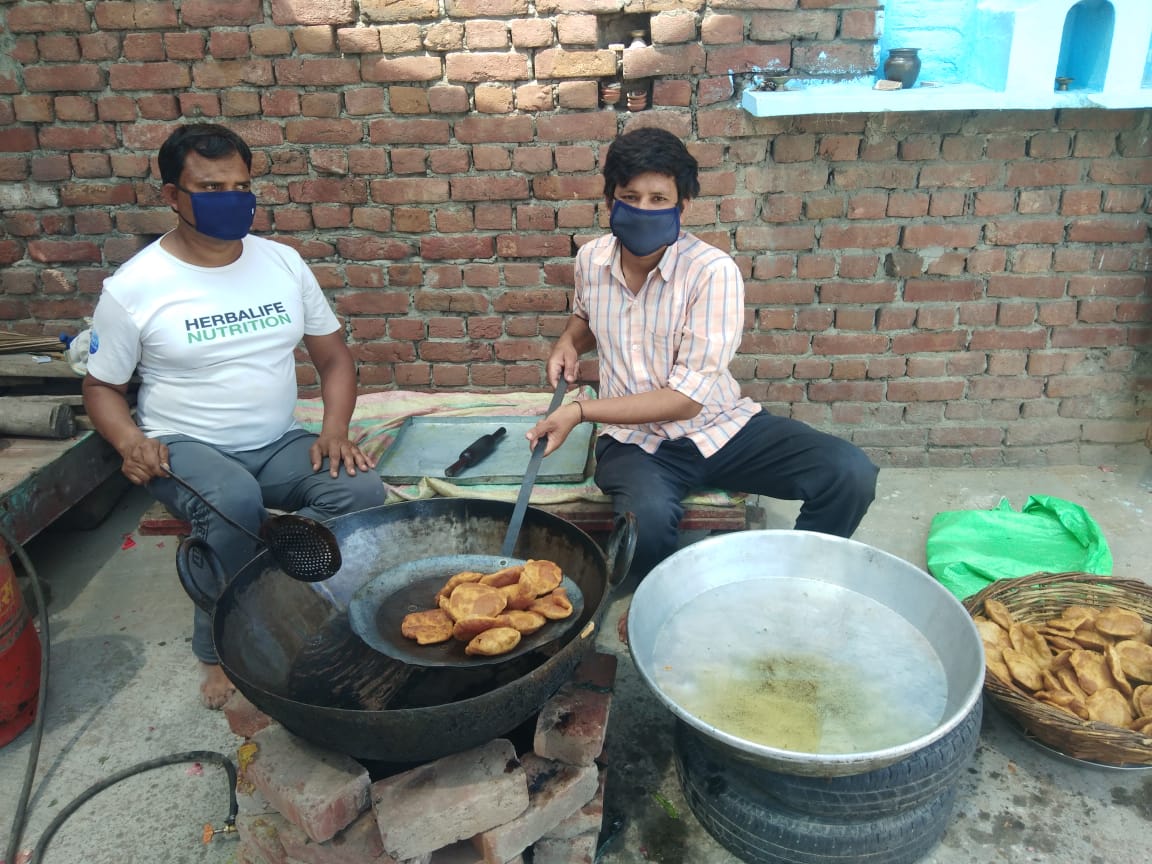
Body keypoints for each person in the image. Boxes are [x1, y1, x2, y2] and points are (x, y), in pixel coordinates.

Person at [82, 123, 385, 708]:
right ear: (173, 196)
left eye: (242, 186)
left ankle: (290, 594)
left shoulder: (283, 264)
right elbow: (101, 387)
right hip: (186, 445)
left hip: (275, 441)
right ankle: (219, 645)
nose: (232, 199)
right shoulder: (134, 287)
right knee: (234, 499)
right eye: (212, 186)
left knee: (360, 489)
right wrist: (129, 442)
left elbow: (334, 358)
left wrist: (334, 431)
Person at [526, 127, 878, 580]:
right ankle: (650, 602)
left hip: (720, 428)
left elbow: (686, 399)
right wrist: (568, 343)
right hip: (635, 444)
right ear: (610, 202)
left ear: (682, 206)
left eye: (659, 199)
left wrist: (578, 411)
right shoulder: (590, 260)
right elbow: (586, 318)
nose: (643, 209)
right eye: (630, 196)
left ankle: (791, 576)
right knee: (645, 529)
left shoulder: (713, 273)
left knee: (849, 474)